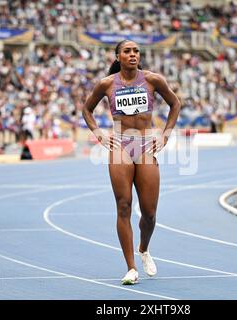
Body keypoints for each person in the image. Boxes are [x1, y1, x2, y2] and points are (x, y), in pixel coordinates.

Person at [82, 40, 181, 285]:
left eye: (136, 51)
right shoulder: (106, 84)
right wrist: (99, 133)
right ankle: (131, 268)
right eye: (127, 51)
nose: (133, 54)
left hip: (145, 145)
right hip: (121, 147)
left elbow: (175, 103)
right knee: (123, 206)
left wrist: (166, 133)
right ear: (118, 56)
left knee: (149, 214)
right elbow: (87, 110)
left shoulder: (152, 80)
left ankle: (143, 248)